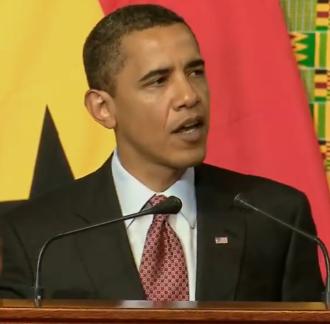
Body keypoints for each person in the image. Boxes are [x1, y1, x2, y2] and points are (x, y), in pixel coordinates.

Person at [0, 4, 323, 301]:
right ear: (103, 108)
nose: (188, 95)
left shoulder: (275, 217)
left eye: (195, 72)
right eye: (158, 80)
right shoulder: (38, 236)